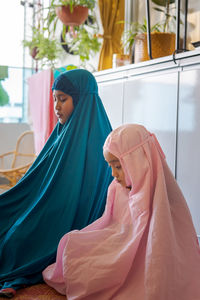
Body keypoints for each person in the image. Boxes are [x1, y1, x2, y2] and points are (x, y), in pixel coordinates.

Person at [43, 123, 200, 300]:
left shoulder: (164, 198)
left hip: (142, 258)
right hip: (120, 242)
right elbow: (110, 224)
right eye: (110, 166)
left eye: (117, 166)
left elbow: (161, 248)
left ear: (139, 162)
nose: (113, 174)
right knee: (72, 245)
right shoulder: (117, 188)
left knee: (95, 272)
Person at [0, 69, 112, 298]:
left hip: (67, 217)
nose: (57, 107)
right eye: (54, 99)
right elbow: (38, 179)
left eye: (63, 99)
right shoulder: (62, 132)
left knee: (16, 240)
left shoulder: (100, 141)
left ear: (81, 100)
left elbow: (87, 196)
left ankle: (16, 276)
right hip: (48, 206)